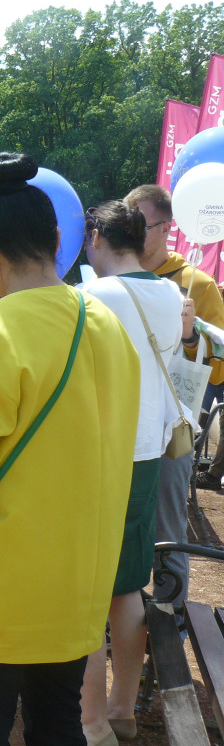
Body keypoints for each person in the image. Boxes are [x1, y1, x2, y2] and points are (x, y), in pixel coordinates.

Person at [0, 153, 139, 745]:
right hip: (78, 582)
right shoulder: (108, 326)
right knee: (58, 725)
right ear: (58, 237)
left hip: (0, 584)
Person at [79, 201, 184, 745]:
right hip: (147, 451)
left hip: (95, 454)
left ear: (96, 236)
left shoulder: (88, 297)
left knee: (88, 592)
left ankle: (92, 721)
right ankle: (121, 705)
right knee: (127, 588)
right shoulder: (170, 293)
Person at [125, 183, 224, 612]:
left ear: (165, 226)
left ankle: (171, 614)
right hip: (120, 422)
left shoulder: (197, 284)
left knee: (167, 523)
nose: (129, 233)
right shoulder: (116, 277)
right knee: (120, 524)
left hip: (170, 428)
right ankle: (122, 612)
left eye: (140, 224)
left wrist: (189, 334)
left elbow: (218, 367)